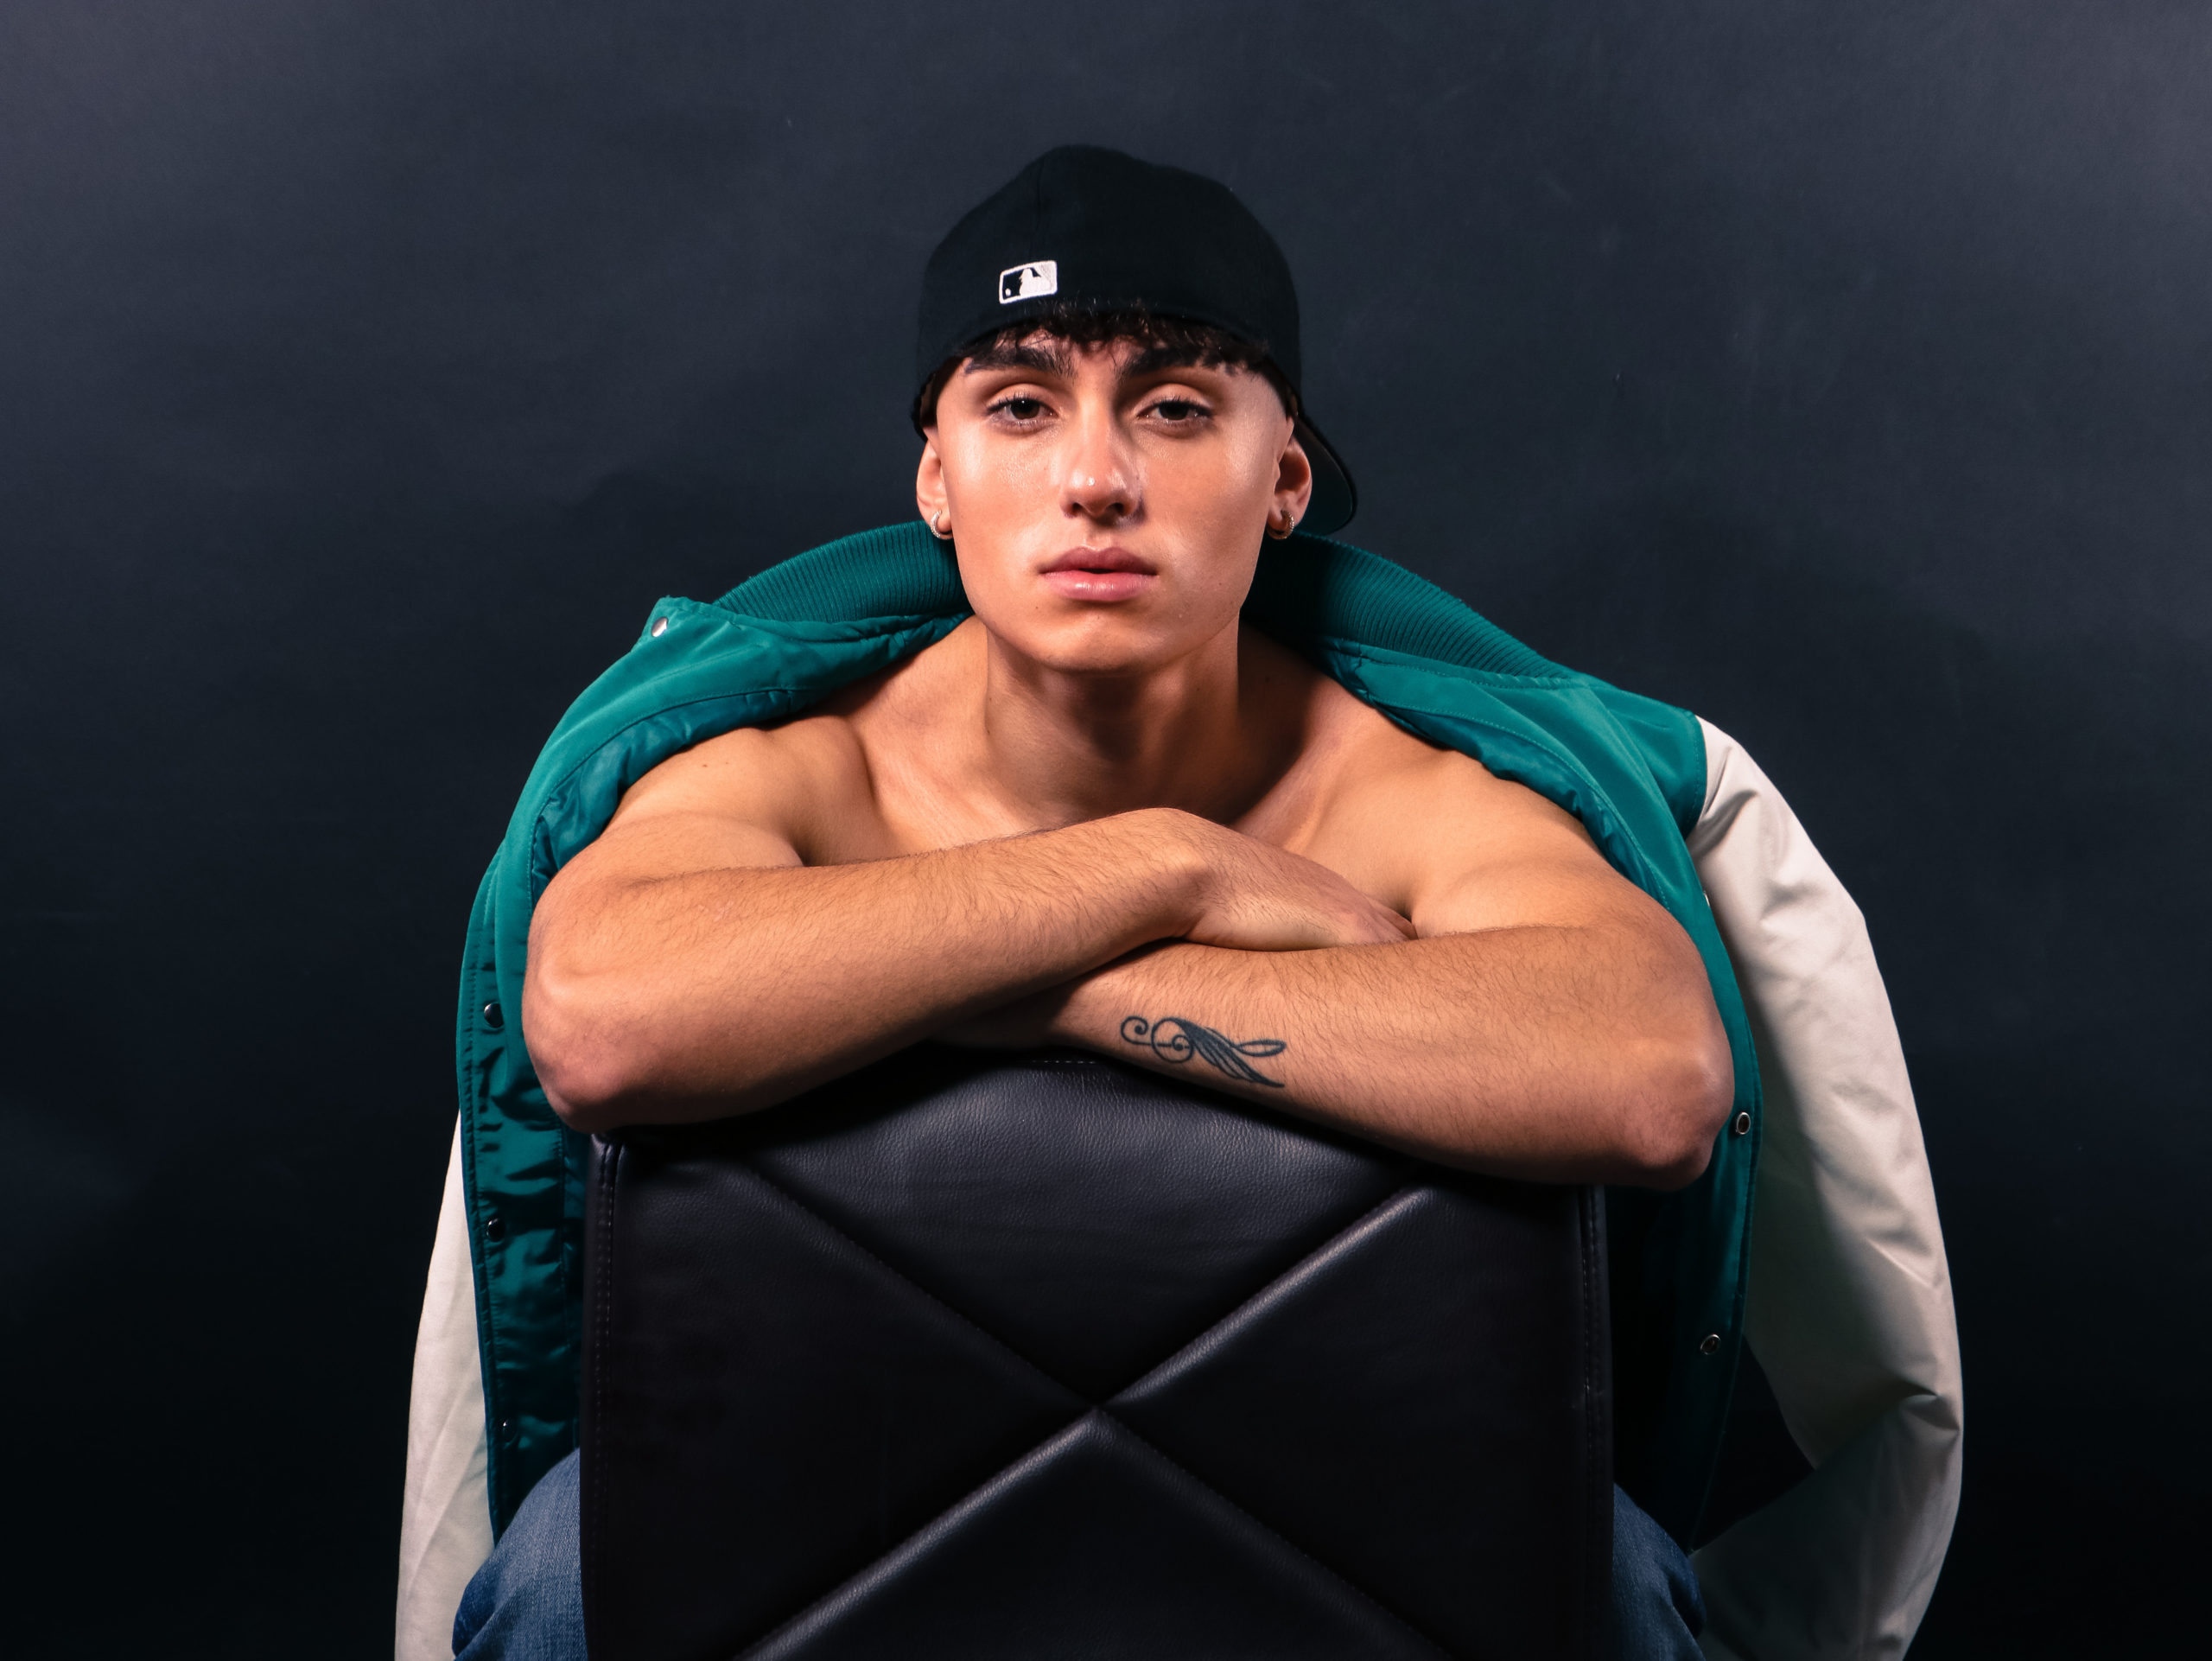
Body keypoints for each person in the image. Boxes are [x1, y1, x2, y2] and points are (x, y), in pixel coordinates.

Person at [397, 147, 1961, 1661]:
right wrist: (1167, 871)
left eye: (1176, 408)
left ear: (1285, 480)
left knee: (1606, 1573)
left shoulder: (1395, 787)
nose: (1095, 479)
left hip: (1359, 1470)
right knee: (563, 1572)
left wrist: (987, 977)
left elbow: (1651, 1074)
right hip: (816, 1448)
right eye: (1021, 406)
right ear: (937, 476)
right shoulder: (809, 763)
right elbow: (593, 1018)